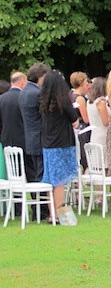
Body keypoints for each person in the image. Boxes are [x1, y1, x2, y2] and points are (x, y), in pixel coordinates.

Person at [39, 70, 79, 224]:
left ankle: (52, 213)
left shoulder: (43, 101)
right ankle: (58, 214)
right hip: (62, 143)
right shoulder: (63, 101)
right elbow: (74, 121)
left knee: (51, 180)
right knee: (60, 181)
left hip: (48, 144)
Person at [19, 62, 51, 220]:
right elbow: (45, 115)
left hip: (30, 138)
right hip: (40, 138)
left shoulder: (24, 92)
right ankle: (42, 210)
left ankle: (37, 208)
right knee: (41, 175)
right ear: (40, 77)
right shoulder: (37, 93)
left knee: (34, 175)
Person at [0, 72, 28, 202]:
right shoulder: (24, 97)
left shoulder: (2, 98)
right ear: (22, 82)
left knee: (13, 174)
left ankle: (16, 206)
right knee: (28, 172)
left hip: (6, 139)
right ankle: (36, 207)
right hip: (23, 140)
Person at [70, 71, 92, 171]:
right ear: (82, 83)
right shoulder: (80, 99)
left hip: (74, 128)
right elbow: (86, 118)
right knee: (84, 155)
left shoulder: (70, 96)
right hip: (82, 128)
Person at [87, 77, 110, 167]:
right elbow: (105, 121)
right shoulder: (101, 102)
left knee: (96, 164)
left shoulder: (89, 102)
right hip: (103, 135)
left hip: (95, 134)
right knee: (104, 165)